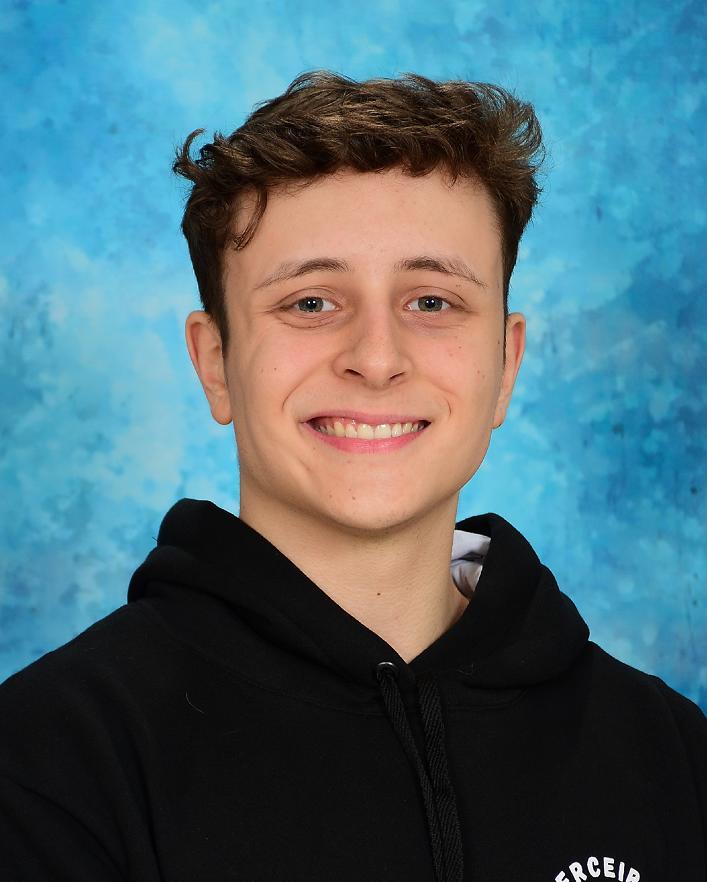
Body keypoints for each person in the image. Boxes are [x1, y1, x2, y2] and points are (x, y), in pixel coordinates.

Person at [0, 71, 704, 882]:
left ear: (505, 365)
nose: (375, 358)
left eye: (431, 302)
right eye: (310, 303)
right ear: (215, 361)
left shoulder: (670, 754)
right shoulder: (51, 760)